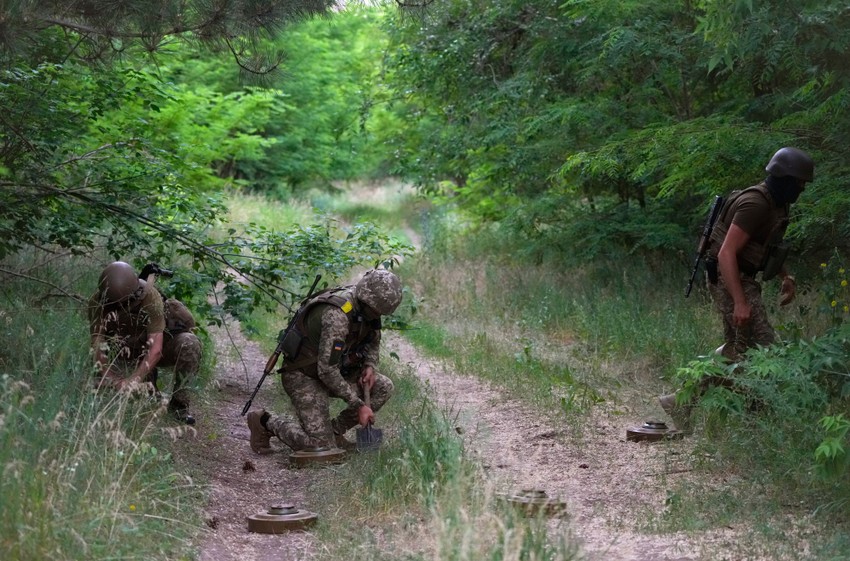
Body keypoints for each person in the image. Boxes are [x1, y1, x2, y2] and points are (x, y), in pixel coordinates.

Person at [660, 147, 814, 432]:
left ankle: (684, 401)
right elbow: (726, 254)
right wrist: (740, 302)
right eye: (799, 182)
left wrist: (784, 274)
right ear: (783, 178)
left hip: (742, 277)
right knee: (765, 348)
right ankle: (758, 418)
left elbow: (764, 245)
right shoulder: (755, 204)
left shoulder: (778, 202)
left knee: (740, 349)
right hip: (729, 276)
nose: (802, 187)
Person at [247, 268, 402, 454]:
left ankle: (335, 431)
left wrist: (370, 365)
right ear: (366, 299)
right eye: (375, 311)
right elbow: (326, 371)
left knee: (384, 387)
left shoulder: (368, 310)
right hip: (303, 376)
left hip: (334, 372)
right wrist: (359, 406)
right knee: (319, 448)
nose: (377, 316)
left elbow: (373, 339)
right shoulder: (337, 315)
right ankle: (265, 421)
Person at [89, 261, 202, 425]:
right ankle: (149, 390)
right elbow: (97, 345)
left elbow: (155, 348)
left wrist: (132, 380)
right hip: (124, 350)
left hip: (156, 347)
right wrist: (111, 378)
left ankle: (179, 405)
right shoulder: (97, 303)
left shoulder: (150, 295)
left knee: (189, 342)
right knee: (122, 398)